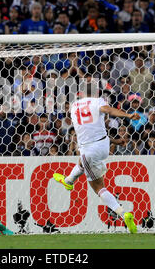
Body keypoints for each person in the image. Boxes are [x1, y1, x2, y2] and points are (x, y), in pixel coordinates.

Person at [53, 82, 140, 233]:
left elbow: (87, 128)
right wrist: (127, 115)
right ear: (96, 93)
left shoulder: (74, 107)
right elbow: (107, 110)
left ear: (80, 93)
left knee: (99, 188)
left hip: (88, 150)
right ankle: (68, 181)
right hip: (103, 146)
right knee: (83, 163)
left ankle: (123, 213)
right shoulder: (97, 101)